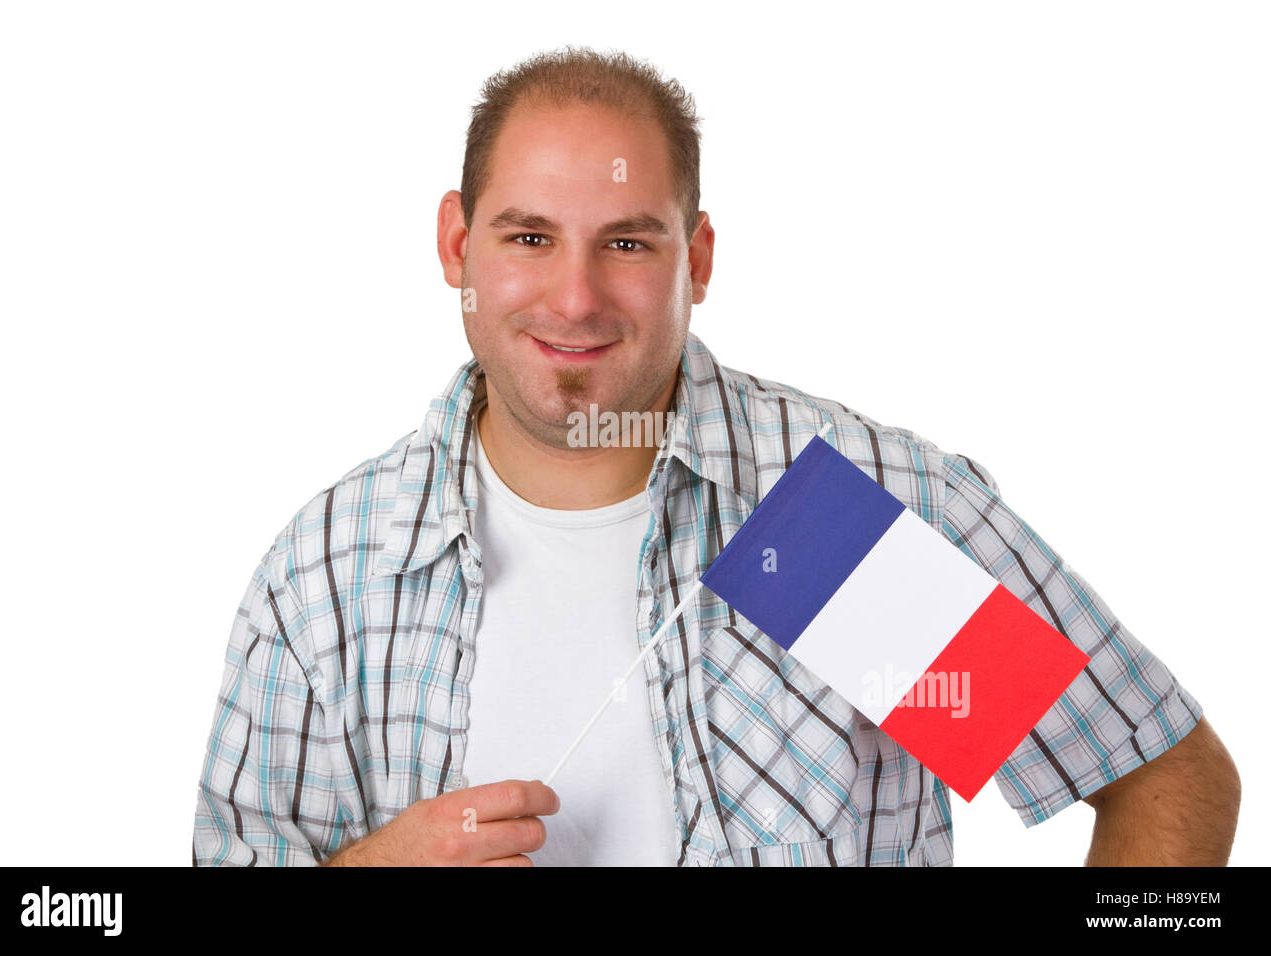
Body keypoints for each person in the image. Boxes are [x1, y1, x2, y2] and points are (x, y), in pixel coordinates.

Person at [191, 46, 1240, 867]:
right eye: (528, 237)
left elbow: (1152, 777)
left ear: (696, 256)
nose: (575, 298)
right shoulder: (335, 575)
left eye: (629, 241)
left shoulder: (825, 525)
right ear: (455, 246)